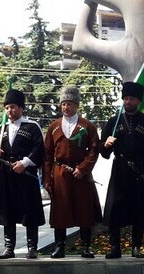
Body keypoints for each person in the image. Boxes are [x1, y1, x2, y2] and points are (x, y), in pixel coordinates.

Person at [73, 0, 144, 115]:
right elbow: (79, 44)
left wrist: (91, 3)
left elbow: (79, 43)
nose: (129, 101)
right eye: (127, 99)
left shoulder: (124, 52)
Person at [100, 82, 144, 259]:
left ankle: (136, 247)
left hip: (140, 170)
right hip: (120, 170)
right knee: (114, 209)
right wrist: (106, 144)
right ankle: (115, 247)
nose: (128, 101)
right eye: (125, 98)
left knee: (139, 210)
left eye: (132, 98)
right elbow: (103, 153)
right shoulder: (114, 121)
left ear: (138, 101)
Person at [43, 87, 102, 259]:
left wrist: (83, 169)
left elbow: (94, 150)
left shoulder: (87, 126)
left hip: (81, 175)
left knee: (84, 210)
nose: (65, 107)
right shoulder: (54, 127)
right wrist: (47, 179)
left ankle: (86, 246)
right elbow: (47, 154)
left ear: (77, 105)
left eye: (69, 104)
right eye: (63, 104)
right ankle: (59, 246)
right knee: (60, 211)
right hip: (60, 173)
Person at [0, 89, 45, 259]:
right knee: (8, 211)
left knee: (30, 211)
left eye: (12, 107)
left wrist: (25, 163)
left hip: (26, 176)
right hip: (6, 176)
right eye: (7, 108)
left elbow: (39, 149)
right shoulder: (1, 130)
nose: (9, 111)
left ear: (21, 108)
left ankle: (32, 247)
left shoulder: (32, 127)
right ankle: (9, 248)